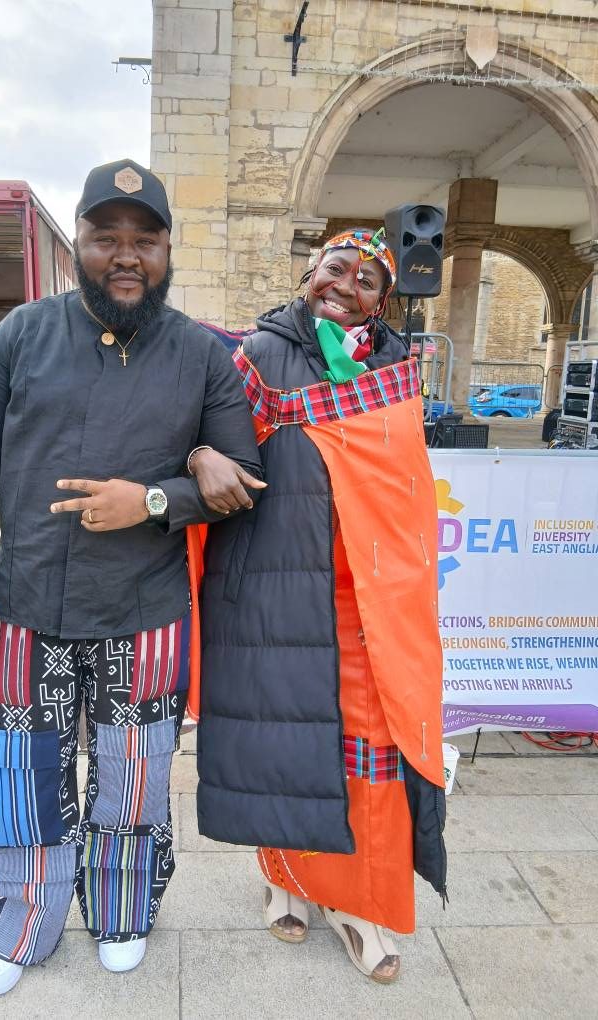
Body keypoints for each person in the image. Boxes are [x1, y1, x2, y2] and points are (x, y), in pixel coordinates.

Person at [0, 158, 263, 996]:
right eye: (105, 237)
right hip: (24, 607)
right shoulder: (22, 334)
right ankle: (25, 919)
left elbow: (242, 478)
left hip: (143, 612)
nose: (126, 255)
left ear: (167, 251)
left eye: (144, 240)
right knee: (23, 774)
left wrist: (152, 499)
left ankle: (121, 911)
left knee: (133, 779)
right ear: (76, 243)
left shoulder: (201, 355)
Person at [191, 229, 447, 983]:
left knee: (370, 751)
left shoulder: (396, 369)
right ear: (311, 272)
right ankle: (284, 881)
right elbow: (207, 443)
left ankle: (360, 905)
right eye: (337, 268)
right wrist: (199, 456)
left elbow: (406, 483)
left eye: (368, 280)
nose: (347, 285)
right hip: (275, 587)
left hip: (369, 597)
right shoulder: (257, 357)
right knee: (282, 743)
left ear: (383, 301)